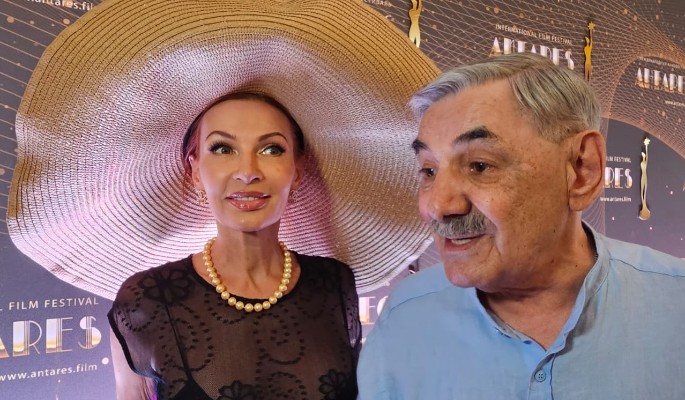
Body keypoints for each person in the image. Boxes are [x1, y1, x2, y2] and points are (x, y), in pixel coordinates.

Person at [6, 0, 439, 399]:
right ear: (195, 170)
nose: (247, 170)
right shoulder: (145, 301)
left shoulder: (335, 285)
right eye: (222, 148)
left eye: (272, 149)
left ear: (297, 168)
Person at [357, 53, 685, 399]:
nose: (437, 207)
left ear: (581, 170)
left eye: (480, 166)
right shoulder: (405, 316)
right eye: (429, 171)